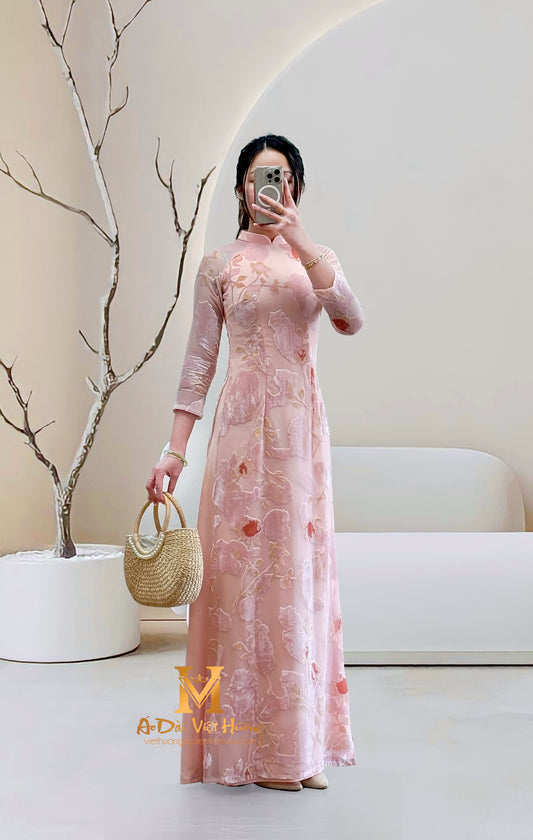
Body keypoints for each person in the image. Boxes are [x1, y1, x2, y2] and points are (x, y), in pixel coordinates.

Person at [146, 134, 364, 792]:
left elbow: (350, 319)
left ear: (295, 186)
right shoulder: (218, 264)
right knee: (238, 587)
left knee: (297, 582)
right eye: (260, 176)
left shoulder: (314, 257)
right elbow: (198, 363)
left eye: (283, 176)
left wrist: (299, 239)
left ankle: (298, 749)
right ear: (242, 187)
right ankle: (248, 754)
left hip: (300, 442)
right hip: (239, 441)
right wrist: (174, 451)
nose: (271, 187)